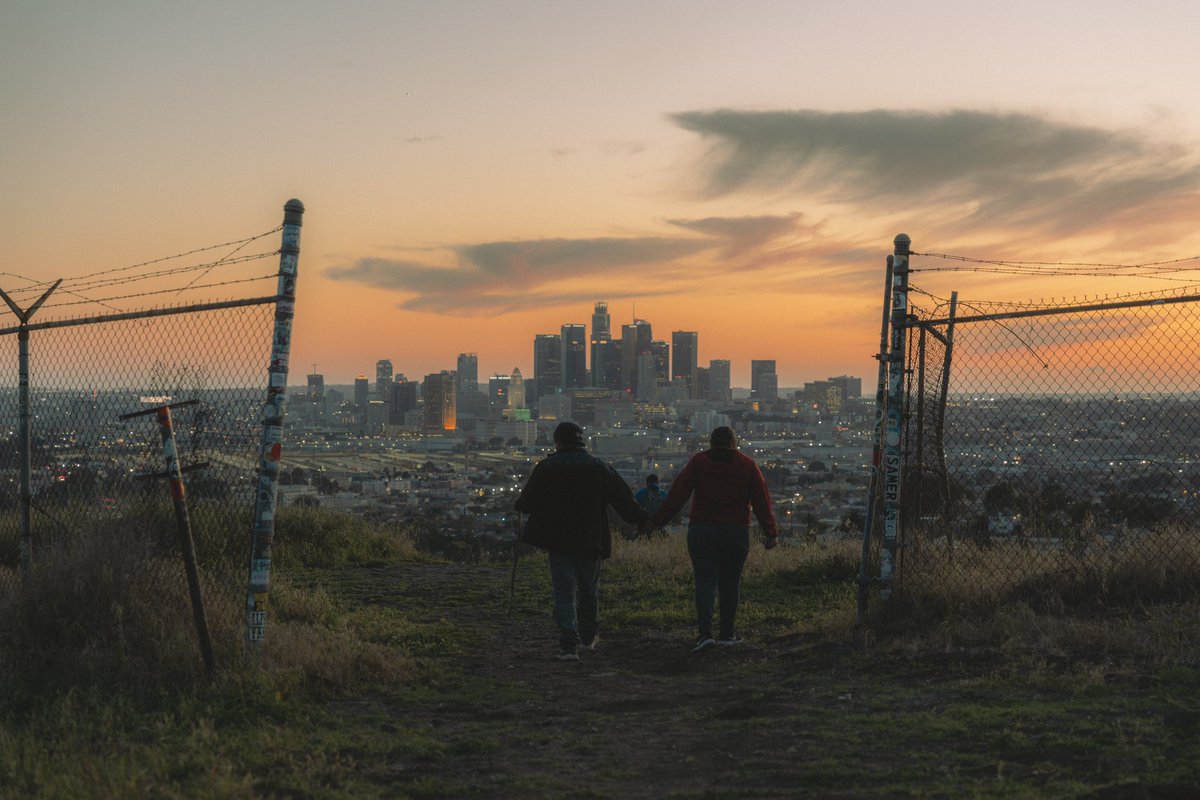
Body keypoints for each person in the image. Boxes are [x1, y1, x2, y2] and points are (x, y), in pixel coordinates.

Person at [515, 421, 650, 661]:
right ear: (582, 442)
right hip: (591, 538)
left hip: (559, 539)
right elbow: (624, 502)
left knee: (564, 592)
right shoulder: (600, 467)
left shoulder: (547, 467)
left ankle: (569, 645)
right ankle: (588, 638)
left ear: (557, 442)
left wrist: (521, 506)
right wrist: (644, 520)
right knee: (589, 590)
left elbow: (527, 502)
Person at [650, 426, 780, 652]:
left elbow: (678, 495)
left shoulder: (699, 462)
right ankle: (727, 633)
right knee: (730, 582)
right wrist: (771, 533)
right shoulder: (747, 464)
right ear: (733, 442)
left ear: (711, 442)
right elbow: (761, 500)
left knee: (705, 581)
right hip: (735, 531)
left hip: (702, 529)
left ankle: (705, 635)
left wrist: (657, 522)